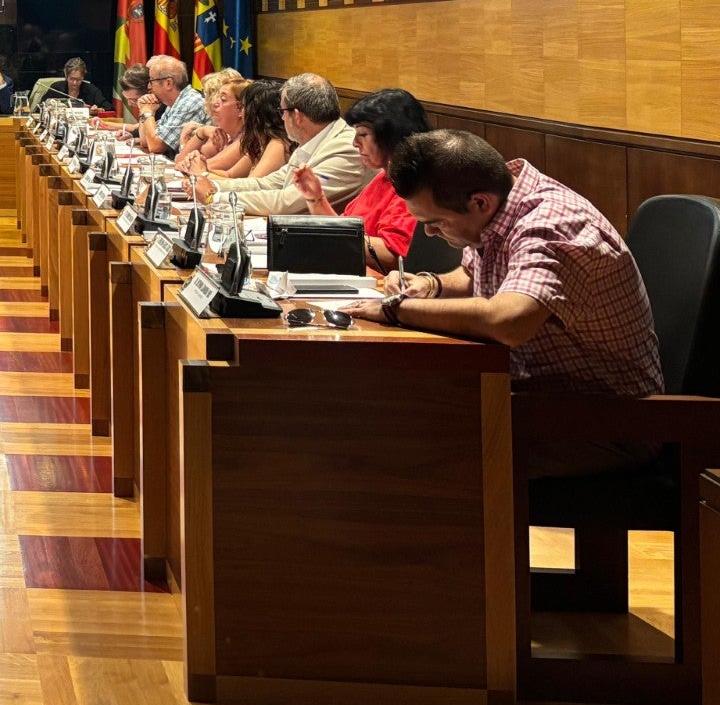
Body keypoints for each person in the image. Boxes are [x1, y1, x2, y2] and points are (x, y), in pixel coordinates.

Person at [345, 131, 660, 475]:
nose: (430, 234)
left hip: (608, 423)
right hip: (533, 402)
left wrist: (396, 310)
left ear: (480, 202)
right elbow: (472, 279)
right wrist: (429, 285)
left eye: (435, 223)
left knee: (416, 453)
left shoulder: (549, 225)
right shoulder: (499, 207)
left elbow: (508, 321)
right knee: (386, 415)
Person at [291, 88, 431, 274]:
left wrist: (338, 237)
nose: (354, 143)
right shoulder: (383, 177)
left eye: (363, 134)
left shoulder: (414, 185)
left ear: (390, 135)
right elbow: (344, 230)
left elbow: (393, 256)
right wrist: (316, 199)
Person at [192, 73, 372, 214]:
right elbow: (267, 183)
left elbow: (286, 202)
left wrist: (214, 198)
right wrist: (213, 186)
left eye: (283, 111)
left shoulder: (346, 148)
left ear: (298, 116)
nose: (282, 117)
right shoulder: (312, 142)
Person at [183, 78, 290, 181]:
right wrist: (199, 166)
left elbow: (251, 185)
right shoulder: (259, 141)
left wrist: (202, 173)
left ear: (256, 113)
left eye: (243, 107)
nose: (241, 112)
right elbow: (229, 175)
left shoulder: (278, 144)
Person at [132, 55, 206, 157]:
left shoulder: (188, 103)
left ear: (168, 83)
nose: (149, 87)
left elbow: (156, 146)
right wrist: (147, 110)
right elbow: (145, 142)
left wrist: (147, 113)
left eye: (151, 81)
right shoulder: (173, 103)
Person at [177, 68, 244, 157]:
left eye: (223, 99)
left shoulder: (242, 138)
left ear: (239, 107)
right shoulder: (221, 131)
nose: (213, 103)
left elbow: (186, 164)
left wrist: (184, 142)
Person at [29, 57, 110, 111]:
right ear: (66, 75)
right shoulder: (56, 88)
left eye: (78, 79)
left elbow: (109, 108)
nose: (74, 83)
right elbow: (40, 108)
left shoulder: (91, 90)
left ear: (83, 77)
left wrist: (98, 110)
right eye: (71, 79)